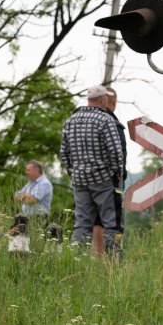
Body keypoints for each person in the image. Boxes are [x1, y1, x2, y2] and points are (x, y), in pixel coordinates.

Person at [60, 85, 124, 256]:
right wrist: (116, 173)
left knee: (81, 223)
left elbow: (64, 153)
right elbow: (116, 151)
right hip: (103, 178)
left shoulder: (70, 120)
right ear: (103, 99)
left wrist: (73, 172)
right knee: (111, 222)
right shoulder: (105, 120)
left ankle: (76, 260)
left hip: (79, 180)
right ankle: (113, 260)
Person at [92, 86, 127, 255]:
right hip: (110, 181)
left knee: (95, 220)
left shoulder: (86, 122)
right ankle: (110, 260)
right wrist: (119, 176)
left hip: (86, 179)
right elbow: (119, 154)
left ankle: (95, 259)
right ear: (113, 103)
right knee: (113, 221)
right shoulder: (114, 124)